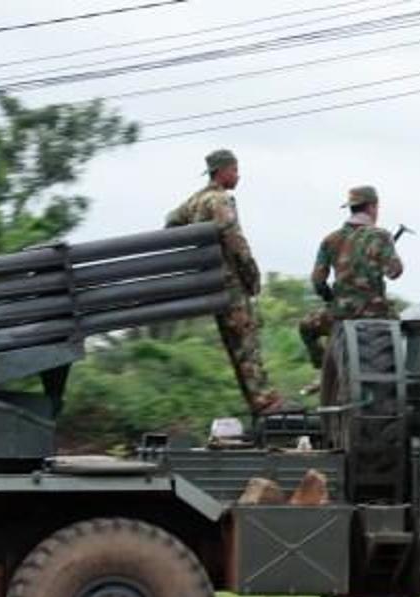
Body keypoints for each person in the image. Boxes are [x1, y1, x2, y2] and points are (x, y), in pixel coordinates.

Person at [165, 149, 288, 415]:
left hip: (208, 282)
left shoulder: (195, 201)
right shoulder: (220, 200)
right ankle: (265, 401)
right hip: (229, 282)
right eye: (234, 169)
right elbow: (235, 240)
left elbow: (170, 222)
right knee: (246, 342)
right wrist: (251, 275)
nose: (238, 175)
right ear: (222, 171)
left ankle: (258, 402)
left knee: (234, 344)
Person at [298, 185, 403, 369]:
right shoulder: (381, 236)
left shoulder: (330, 239)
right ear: (372, 207)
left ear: (351, 208)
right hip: (377, 313)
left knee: (306, 327)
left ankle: (323, 366)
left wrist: (332, 299)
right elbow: (394, 272)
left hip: (340, 315)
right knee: (405, 332)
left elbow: (318, 282)